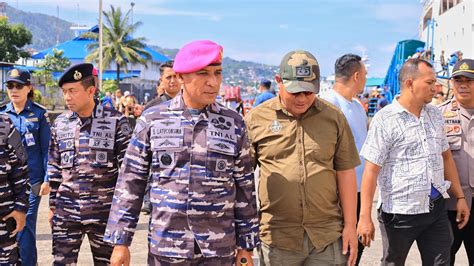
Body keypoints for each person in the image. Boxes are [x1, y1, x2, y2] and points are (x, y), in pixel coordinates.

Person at [104, 40, 259, 266]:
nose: (213, 82)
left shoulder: (233, 123)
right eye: (203, 74)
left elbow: (245, 188)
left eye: (218, 73)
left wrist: (246, 246)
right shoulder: (152, 120)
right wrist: (120, 242)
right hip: (167, 247)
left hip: (218, 250)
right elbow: (130, 183)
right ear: (181, 76)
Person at [245, 50, 360, 265]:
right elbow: (242, 179)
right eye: (295, 92)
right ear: (279, 81)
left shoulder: (333, 118)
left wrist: (351, 225)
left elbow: (345, 172)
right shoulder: (256, 119)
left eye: (308, 92)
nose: (302, 99)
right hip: (278, 238)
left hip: (325, 237)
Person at [357, 59, 470, 265]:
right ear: (410, 84)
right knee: (393, 262)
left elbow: (446, 157)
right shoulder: (385, 120)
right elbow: (371, 171)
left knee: (441, 262)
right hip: (399, 213)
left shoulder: (435, 115)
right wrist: (364, 217)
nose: (435, 88)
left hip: (435, 208)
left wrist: (459, 197)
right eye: (429, 82)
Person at [48, 63, 132, 265]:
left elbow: (128, 175)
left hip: (104, 213)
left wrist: (122, 222)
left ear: (91, 91)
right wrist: (52, 206)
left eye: (72, 91)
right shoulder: (60, 123)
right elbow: (54, 168)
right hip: (66, 211)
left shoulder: (116, 122)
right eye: (64, 92)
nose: (67, 97)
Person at [0, 68, 51, 266]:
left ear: (28, 88)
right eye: (10, 86)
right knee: (9, 226)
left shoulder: (39, 114)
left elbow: (47, 150)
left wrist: (48, 179)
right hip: (7, 183)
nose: (14, 90)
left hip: (32, 182)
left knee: (26, 225)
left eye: (19, 86)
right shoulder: (2, 114)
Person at [320, 53, 368, 265]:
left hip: (359, 191)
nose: (366, 79)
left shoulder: (357, 106)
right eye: (365, 74)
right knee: (338, 254)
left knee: (355, 251)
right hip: (337, 194)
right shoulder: (328, 104)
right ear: (356, 76)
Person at [438, 59, 474, 265]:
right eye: (458, 80)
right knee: (444, 259)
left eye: (469, 80)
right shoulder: (440, 115)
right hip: (450, 204)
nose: (463, 85)